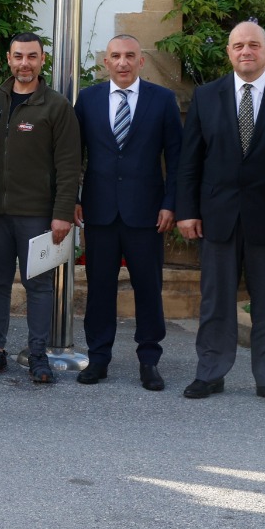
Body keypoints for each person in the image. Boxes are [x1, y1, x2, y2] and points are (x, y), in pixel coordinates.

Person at [175, 20, 265, 407]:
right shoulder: (206, 96)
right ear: (229, 52)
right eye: (238, 45)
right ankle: (210, 372)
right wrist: (186, 211)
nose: (246, 51)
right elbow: (189, 162)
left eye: (253, 45)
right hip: (217, 219)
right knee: (215, 302)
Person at [72, 34, 182, 391]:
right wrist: (73, 198)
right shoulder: (88, 99)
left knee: (148, 288)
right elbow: (74, 154)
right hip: (100, 211)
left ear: (141, 61)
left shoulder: (162, 100)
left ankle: (149, 360)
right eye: (116, 56)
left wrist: (170, 204)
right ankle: (98, 358)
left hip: (147, 214)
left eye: (130, 55)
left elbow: (177, 159)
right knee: (99, 288)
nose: (123, 62)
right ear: (106, 62)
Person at [0, 33, 81, 384]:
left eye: (32, 56)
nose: (25, 63)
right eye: (18, 56)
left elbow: (69, 164)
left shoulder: (56, 106)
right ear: (9, 59)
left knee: (39, 286)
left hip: (37, 214)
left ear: (42, 60)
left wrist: (62, 212)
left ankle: (38, 355)